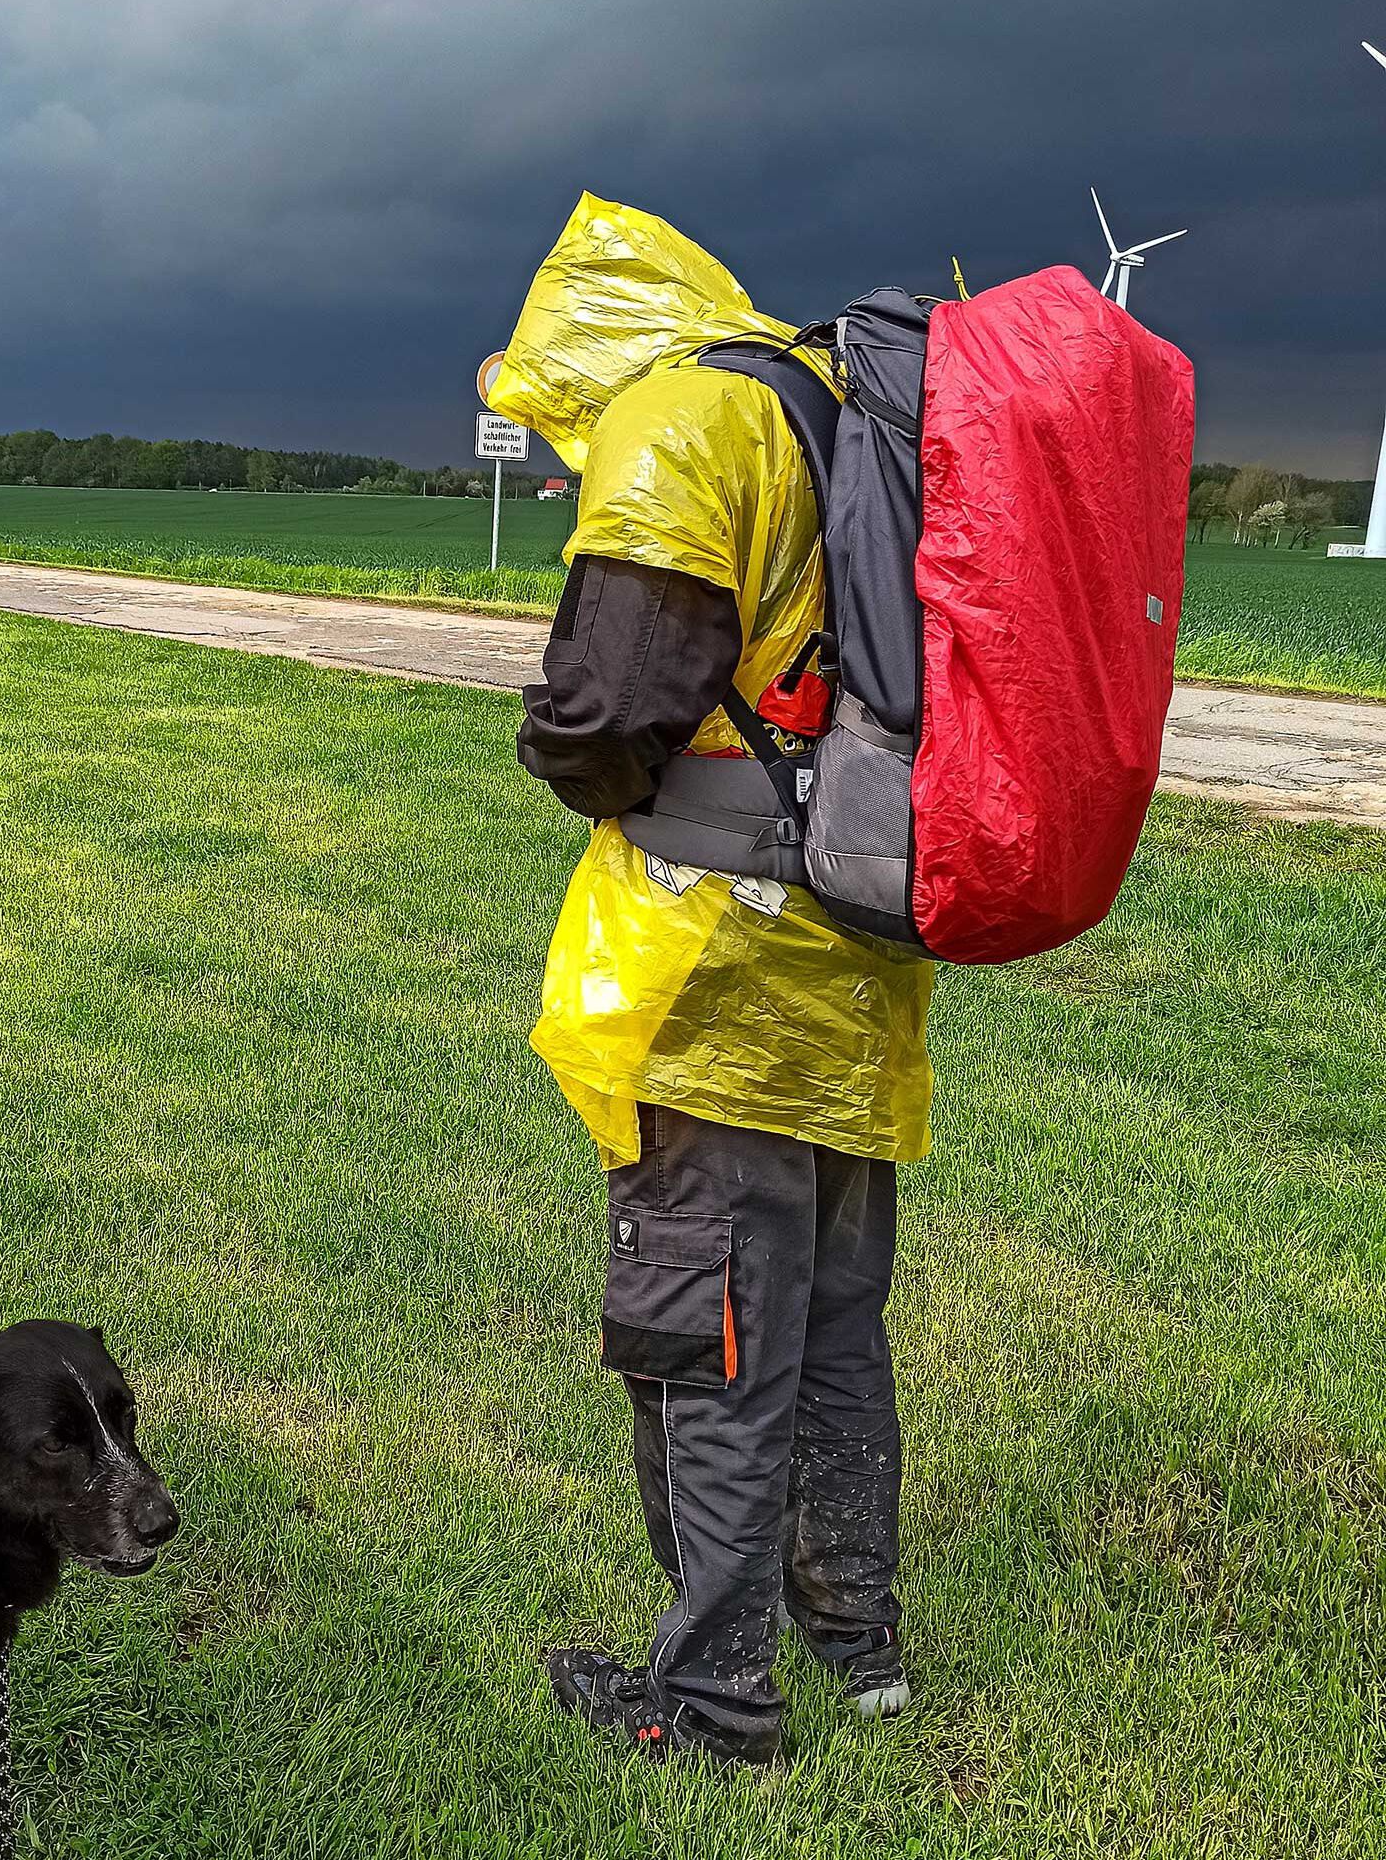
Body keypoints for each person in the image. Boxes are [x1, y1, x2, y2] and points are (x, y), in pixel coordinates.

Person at [488, 196, 935, 1771]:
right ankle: (858, 1647)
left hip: (714, 978)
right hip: (851, 970)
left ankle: (714, 1701)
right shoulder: (824, 405)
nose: (556, 452)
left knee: (712, 1331)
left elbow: (610, 703)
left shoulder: (680, 421)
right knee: (830, 1329)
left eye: (554, 421)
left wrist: (556, 745)